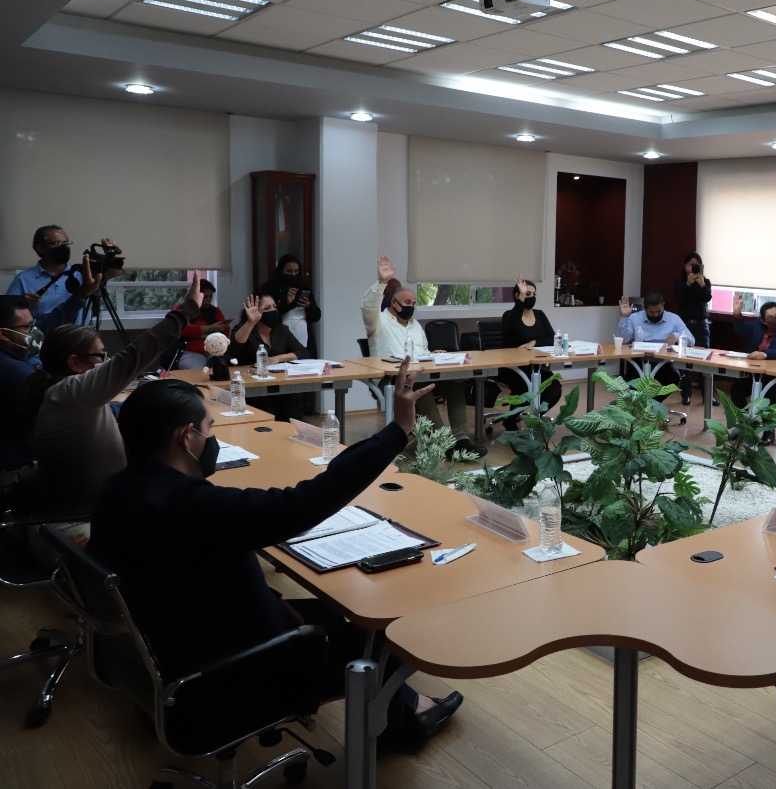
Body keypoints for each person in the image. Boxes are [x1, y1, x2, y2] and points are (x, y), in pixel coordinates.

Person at [86, 358, 463, 751]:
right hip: (225, 671)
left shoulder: (114, 491)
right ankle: (402, 727)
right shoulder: (194, 507)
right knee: (380, 635)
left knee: (329, 615)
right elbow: (305, 502)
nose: (211, 439)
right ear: (186, 437)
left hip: (171, 646)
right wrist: (398, 429)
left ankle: (406, 709)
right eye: (209, 428)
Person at [24, 275, 202, 512]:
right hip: (88, 515)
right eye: (101, 356)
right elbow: (131, 357)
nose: (106, 361)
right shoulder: (71, 392)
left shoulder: (63, 394)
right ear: (75, 363)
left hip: (104, 502)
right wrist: (185, 310)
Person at [362, 256, 484, 458]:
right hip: (392, 380)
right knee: (421, 391)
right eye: (407, 302)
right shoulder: (379, 321)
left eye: (414, 303)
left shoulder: (415, 325)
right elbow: (368, 308)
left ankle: (462, 440)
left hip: (420, 373)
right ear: (394, 303)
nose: (411, 306)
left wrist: (432, 355)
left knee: (455, 387)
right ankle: (444, 443)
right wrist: (381, 283)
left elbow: (422, 352)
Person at [0, 278, 105, 472]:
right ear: (4, 334)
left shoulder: (13, 354)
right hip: (22, 463)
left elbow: (48, 324)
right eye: (27, 327)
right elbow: (74, 412)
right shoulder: (19, 375)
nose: (34, 332)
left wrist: (80, 295)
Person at [228, 293, 308, 422]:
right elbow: (233, 348)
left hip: (280, 384)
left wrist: (279, 358)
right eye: (267, 308)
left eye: (274, 306)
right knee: (266, 408)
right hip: (253, 387)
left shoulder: (281, 330)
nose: (273, 311)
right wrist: (250, 323)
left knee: (293, 401)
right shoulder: (244, 328)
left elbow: (303, 352)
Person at [728, 298, 776, 445]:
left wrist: (765, 354)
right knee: (736, 389)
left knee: (768, 394)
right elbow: (741, 329)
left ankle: (768, 431)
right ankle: (745, 425)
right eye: (771, 318)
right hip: (756, 375)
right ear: (763, 321)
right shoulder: (758, 326)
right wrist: (737, 314)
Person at [498, 277, 562, 431]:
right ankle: (510, 420)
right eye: (527, 294)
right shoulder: (509, 315)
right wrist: (520, 300)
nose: (532, 297)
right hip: (514, 369)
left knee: (554, 387)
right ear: (517, 295)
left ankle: (534, 417)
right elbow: (510, 330)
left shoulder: (539, 315)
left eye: (534, 294)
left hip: (536, 367)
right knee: (526, 385)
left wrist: (535, 342)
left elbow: (552, 338)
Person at [615, 292, 694, 403]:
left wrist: (675, 336)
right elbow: (623, 341)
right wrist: (624, 317)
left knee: (673, 379)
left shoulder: (673, 319)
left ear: (663, 305)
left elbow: (691, 340)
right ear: (645, 308)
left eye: (659, 311)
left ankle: (652, 405)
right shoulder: (635, 318)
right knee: (632, 383)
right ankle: (643, 406)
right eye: (652, 312)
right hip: (638, 362)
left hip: (663, 363)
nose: (656, 315)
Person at [258, 254, 322, 358]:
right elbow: (267, 317)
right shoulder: (269, 288)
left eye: (296, 271)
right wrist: (287, 302)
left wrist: (309, 307)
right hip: (279, 338)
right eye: (289, 271)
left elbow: (317, 316)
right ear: (281, 270)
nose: (293, 274)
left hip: (304, 336)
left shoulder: (304, 287)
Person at [674, 251, 712, 405]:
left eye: (697, 265)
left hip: (702, 325)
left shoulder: (705, 281)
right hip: (685, 324)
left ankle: (707, 395)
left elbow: (707, 297)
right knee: (685, 360)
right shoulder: (681, 282)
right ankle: (686, 394)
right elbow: (680, 297)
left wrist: (702, 285)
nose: (693, 268)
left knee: (705, 360)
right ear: (685, 267)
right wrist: (688, 284)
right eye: (690, 265)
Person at [174, 279, 230, 370]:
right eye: (205, 297)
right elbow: (184, 329)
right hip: (190, 353)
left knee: (222, 369)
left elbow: (225, 332)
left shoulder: (215, 311)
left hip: (213, 352)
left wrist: (198, 334)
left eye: (210, 297)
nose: (208, 300)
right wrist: (211, 329)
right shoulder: (181, 309)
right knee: (199, 372)